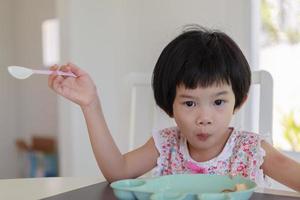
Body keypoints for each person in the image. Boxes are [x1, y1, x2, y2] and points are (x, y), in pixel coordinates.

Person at [48, 25, 300, 191]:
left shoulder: (250, 150)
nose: (204, 118)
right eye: (189, 103)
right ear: (169, 105)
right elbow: (117, 173)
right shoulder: (166, 145)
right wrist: (91, 105)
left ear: (240, 100)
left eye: (219, 102)